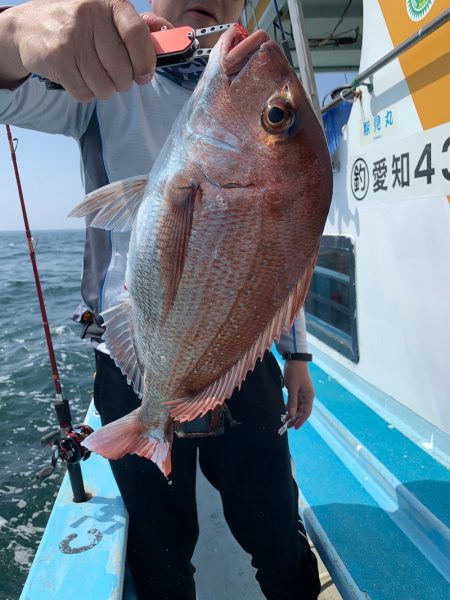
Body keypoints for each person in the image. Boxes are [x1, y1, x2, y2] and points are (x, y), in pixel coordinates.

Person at [0, 1, 321, 598]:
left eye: (276, 116)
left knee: (277, 529)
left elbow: (276, 262)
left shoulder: (239, 82)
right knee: (161, 549)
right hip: (131, 356)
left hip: (241, 359)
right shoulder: (103, 80)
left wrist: (296, 357)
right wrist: (12, 33)